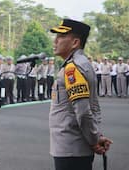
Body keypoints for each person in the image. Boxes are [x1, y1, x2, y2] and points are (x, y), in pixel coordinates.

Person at [49, 19, 112, 170]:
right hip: (74, 148)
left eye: (61, 37)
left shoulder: (73, 68)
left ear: (75, 42)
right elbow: (91, 107)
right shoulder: (80, 64)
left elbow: (83, 112)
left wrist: (94, 140)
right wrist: (97, 136)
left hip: (71, 149)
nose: (55, 40)